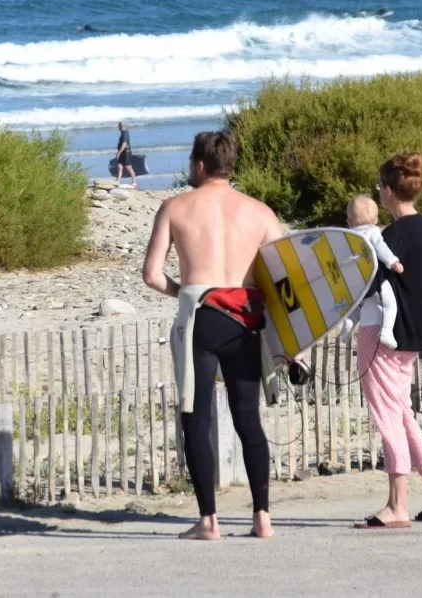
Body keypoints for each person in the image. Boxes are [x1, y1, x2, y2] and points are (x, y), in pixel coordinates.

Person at [142, 131, 285, 540]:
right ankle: (262, 518)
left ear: (199, 165)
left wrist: (186, 294)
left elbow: (151, 274)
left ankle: (208, 521)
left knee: (196, 417)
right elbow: (281, 278)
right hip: (245, 320)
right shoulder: (260, 212)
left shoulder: (175, 207)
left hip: (200, 320)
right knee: (248, 419)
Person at [355, 153, 422, 529]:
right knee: (401, 412)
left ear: (387, 191)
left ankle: (397, 505)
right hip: (412, 334)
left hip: (382, 334)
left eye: (380, 186)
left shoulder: (389, 236)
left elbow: (363, 283)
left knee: (387, 414)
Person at [346, 195, 403, 350]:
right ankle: (386, 332)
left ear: (349, 222)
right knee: (390, 305)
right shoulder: (373, 232)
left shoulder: (348, 236)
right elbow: (380, 248)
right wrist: (393, 262)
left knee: (357, 308)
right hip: (374, 281)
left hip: (356, 282)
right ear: (375, 220)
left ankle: (348, 324)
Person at [114, 122, 138, 188]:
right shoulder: (122, 133)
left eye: (120, 126)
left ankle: (134, 182)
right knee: (119, 166)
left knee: (129, 167)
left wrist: (118, 153)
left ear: (123, 126)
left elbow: (124, 144)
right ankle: (118, 180)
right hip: (122, 153)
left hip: (126, 153)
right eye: (119, 126)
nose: (119, 127)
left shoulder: (125, 133)